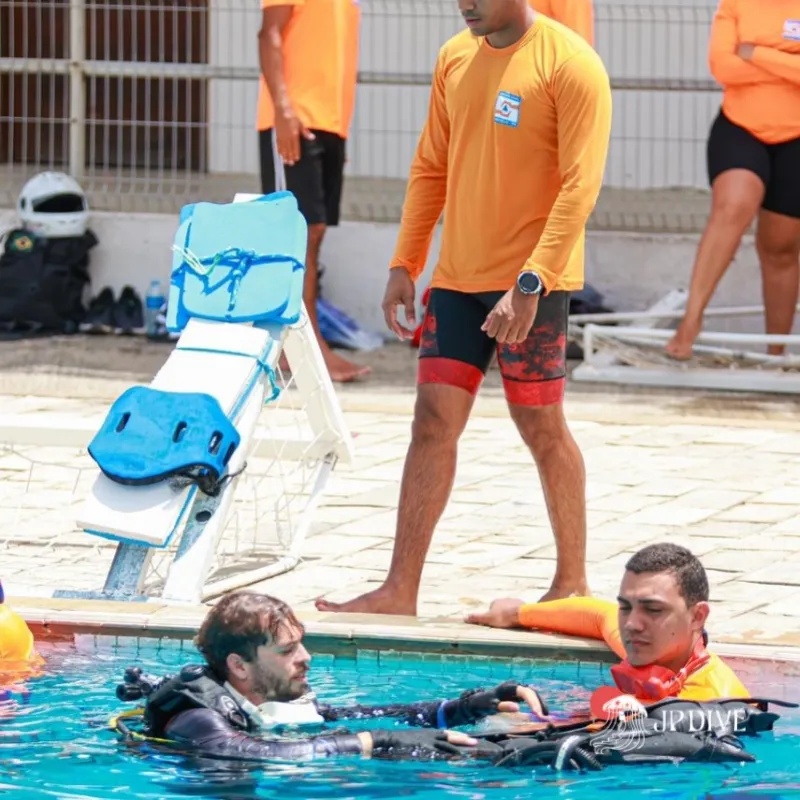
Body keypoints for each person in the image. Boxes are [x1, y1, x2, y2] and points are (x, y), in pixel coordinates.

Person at [315, 0, 613, 616]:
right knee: (431, 421)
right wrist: (406, 261)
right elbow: (432, 165)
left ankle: (572, 581)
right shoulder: (455, 56)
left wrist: (531, 283)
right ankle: (399, 590)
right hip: (457, 280)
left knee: (541, 427)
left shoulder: (571, 65)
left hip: (536, 283)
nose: (465, 3)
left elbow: (580, 186)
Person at [112, 589, 773, 771]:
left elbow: (357, 713)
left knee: (491, 741)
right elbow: (243, 755)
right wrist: (368, 747)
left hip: (347, 770)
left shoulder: (259, 692)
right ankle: (658, 743)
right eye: (289, 652)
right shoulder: (199, 715)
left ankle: (702, 721)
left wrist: (463, 704)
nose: (306, 659)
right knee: (508, 761)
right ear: (238, 667)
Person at [665, 0, 800, 360]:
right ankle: (690, 322)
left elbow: (740, 59)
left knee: (781, 248)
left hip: (795, 139)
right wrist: (788, 62)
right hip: (740, 129)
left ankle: (777, 354)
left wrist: (756, 53)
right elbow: (723, 67)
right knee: (733, 206)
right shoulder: (737, 4)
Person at [466, 543, 750, 702]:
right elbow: (598, 614)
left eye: (653, 610)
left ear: (697, 617)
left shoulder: (716, 704)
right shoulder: (654, 649)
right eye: (626, 607)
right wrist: (518, 614)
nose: (631, 624)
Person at [256, 0, 370, 383]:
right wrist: (283, 110)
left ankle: (301, 344)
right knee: (295, 234)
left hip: (327, 126)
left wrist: (337, 134)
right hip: (294, 119)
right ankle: (298, 349)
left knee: (314, 232)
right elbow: (268, 34)